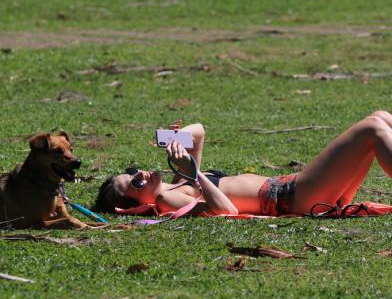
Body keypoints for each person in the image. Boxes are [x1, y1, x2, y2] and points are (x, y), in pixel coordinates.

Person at [94, 111, 392, 217]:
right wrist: (196, 175)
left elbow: (200, 132)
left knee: (380, 117)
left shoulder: (181, 180)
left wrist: (176, 137)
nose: (141, 174)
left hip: (299, 189)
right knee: (372, 129)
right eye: (135, 183)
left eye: (134, 171)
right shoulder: (167, 199)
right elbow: (226, 210)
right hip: (293, 197)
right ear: (132, 207)